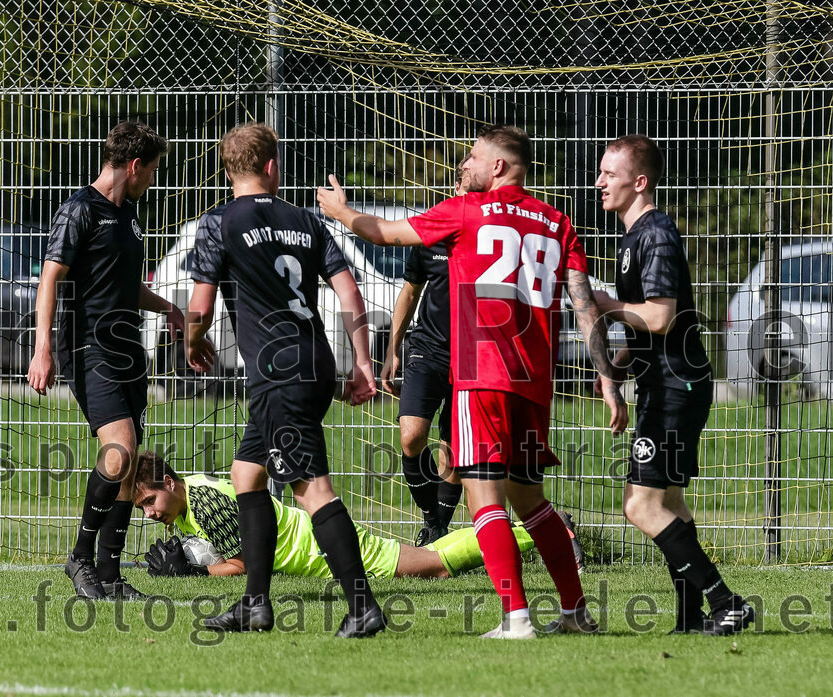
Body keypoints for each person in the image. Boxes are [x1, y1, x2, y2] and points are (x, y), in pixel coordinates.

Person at [318, 124, 628, 639]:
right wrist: (606, 378)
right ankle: (574, 613)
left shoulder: (467, 211)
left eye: (472, 158)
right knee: (530, 499)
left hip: (482, 374)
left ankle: (516, 618)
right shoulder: (558, 223)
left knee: (484, 497)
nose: (464, 166)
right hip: (534, 383)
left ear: (499, 168)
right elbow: (584, 304)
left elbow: (382, 233)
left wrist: (342, 213)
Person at [184, 122, 386, 638]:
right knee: (246, 475)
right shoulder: (307, 221)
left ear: (228, 170)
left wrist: (190, 340)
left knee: (311, 488)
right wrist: (362, 361)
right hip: (314, 364)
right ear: (272, 166)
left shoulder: (219, 223)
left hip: (278, 374)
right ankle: (254, 604)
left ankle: (363, 607)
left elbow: (200, 306)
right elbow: (350, 294)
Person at [592, 135, 753, 635]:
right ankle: (690, 617)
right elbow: (650, 327)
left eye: (609, 174)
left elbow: (660, 317)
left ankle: (726, 601)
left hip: (674, 386)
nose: (598, 182)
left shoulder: (655, 234)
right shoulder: (633, 236)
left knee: (640, 505)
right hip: (670, 381)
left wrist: (601, 303)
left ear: (639, 182)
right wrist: (615, 371)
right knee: (672, 503)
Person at [27, 121, 185, 601]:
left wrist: (167, 307)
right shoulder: (79, 210)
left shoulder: (130, 216)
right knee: (118, 452)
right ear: (134, 166)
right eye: (153, 171)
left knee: (130, 456)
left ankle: (111, 576)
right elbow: (50, 278)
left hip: (127, 349)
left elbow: (123, 284)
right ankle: (79, 555)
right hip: (89, 348)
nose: (153, 180)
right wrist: (43, 347)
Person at [131, 451, 536, 580]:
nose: (149, 513)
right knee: (428, 559)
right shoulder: (187, 500)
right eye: (141, 509)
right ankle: (530, 531)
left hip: (323, 548)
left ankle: (534, 531)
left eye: (149, 501)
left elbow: (247, 565)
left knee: (434, 567)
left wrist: (195, 574)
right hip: (316, 548)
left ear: (168, 482)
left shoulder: (204, 503)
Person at [380, 159, 465, 545]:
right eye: (462, 181)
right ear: (456, 185)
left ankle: (438, 531)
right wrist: (393, 349)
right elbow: (410, 291)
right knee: (411, 437)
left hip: (472, 358)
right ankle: (431, 515)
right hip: (427, 349)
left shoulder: (489, 233)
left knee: (454, 449)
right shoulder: (431, 229)